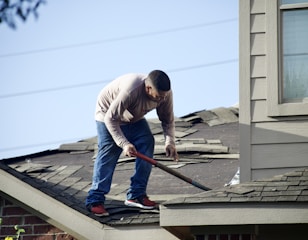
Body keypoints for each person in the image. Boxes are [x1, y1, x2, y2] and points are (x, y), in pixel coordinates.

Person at [85, 70, 179, 216]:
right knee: (109, 150)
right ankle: (95, 200)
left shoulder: (165, 95)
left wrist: (170, 142)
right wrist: (124, 143)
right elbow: (111, 119)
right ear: (148, 89)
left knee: (147, 141)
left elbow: (168, 120)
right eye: (159, 96)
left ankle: (136, 195)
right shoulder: (131, 90)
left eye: (164, 95)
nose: (162, 99)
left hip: (132, 117)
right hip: (107, 115)